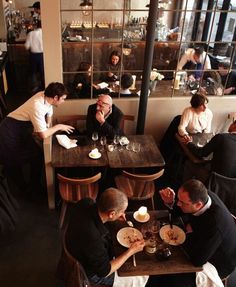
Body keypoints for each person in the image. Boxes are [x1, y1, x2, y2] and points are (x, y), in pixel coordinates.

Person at [147, 179, 236, 287]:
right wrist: (171, 202)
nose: (178, 203)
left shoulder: (215, 224)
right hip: (200, 238)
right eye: (178, 199)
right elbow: (181, 210)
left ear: (198, 205)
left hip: (217, 261)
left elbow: (198, 260)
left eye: (182, 202)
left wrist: (185, 237)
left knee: (168, 275)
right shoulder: (202, 196)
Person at [0, 82, 74, 194]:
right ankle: (23, 191)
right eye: (63, 99)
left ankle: (34, 185)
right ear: (55, 97)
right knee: (13, 160)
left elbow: (49, 112)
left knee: (37, 154)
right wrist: (58, 126)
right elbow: (43, 134)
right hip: (9, 130)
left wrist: (48, 125)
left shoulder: (45, 96)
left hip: (22, 129)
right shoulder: (37, 106)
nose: (64, 101)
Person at [65, 188, 146, 286]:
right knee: (140, 275)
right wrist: (131, 251)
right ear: (111, 214)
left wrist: (115, 216)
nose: (123, 214)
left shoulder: (85, 202)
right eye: (122, 211)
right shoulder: (93, 238)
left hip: (76, 245)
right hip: (90, 273)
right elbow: (104, 271)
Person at [25, 20, 44, 92]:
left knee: (33, 72)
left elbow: (26, 46)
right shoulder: (45, 33)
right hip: (42, 55)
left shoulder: (31, 33)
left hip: (33, 56)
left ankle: (35, 87)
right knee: (43, 72)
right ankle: (44, 86)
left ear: (36, 26)